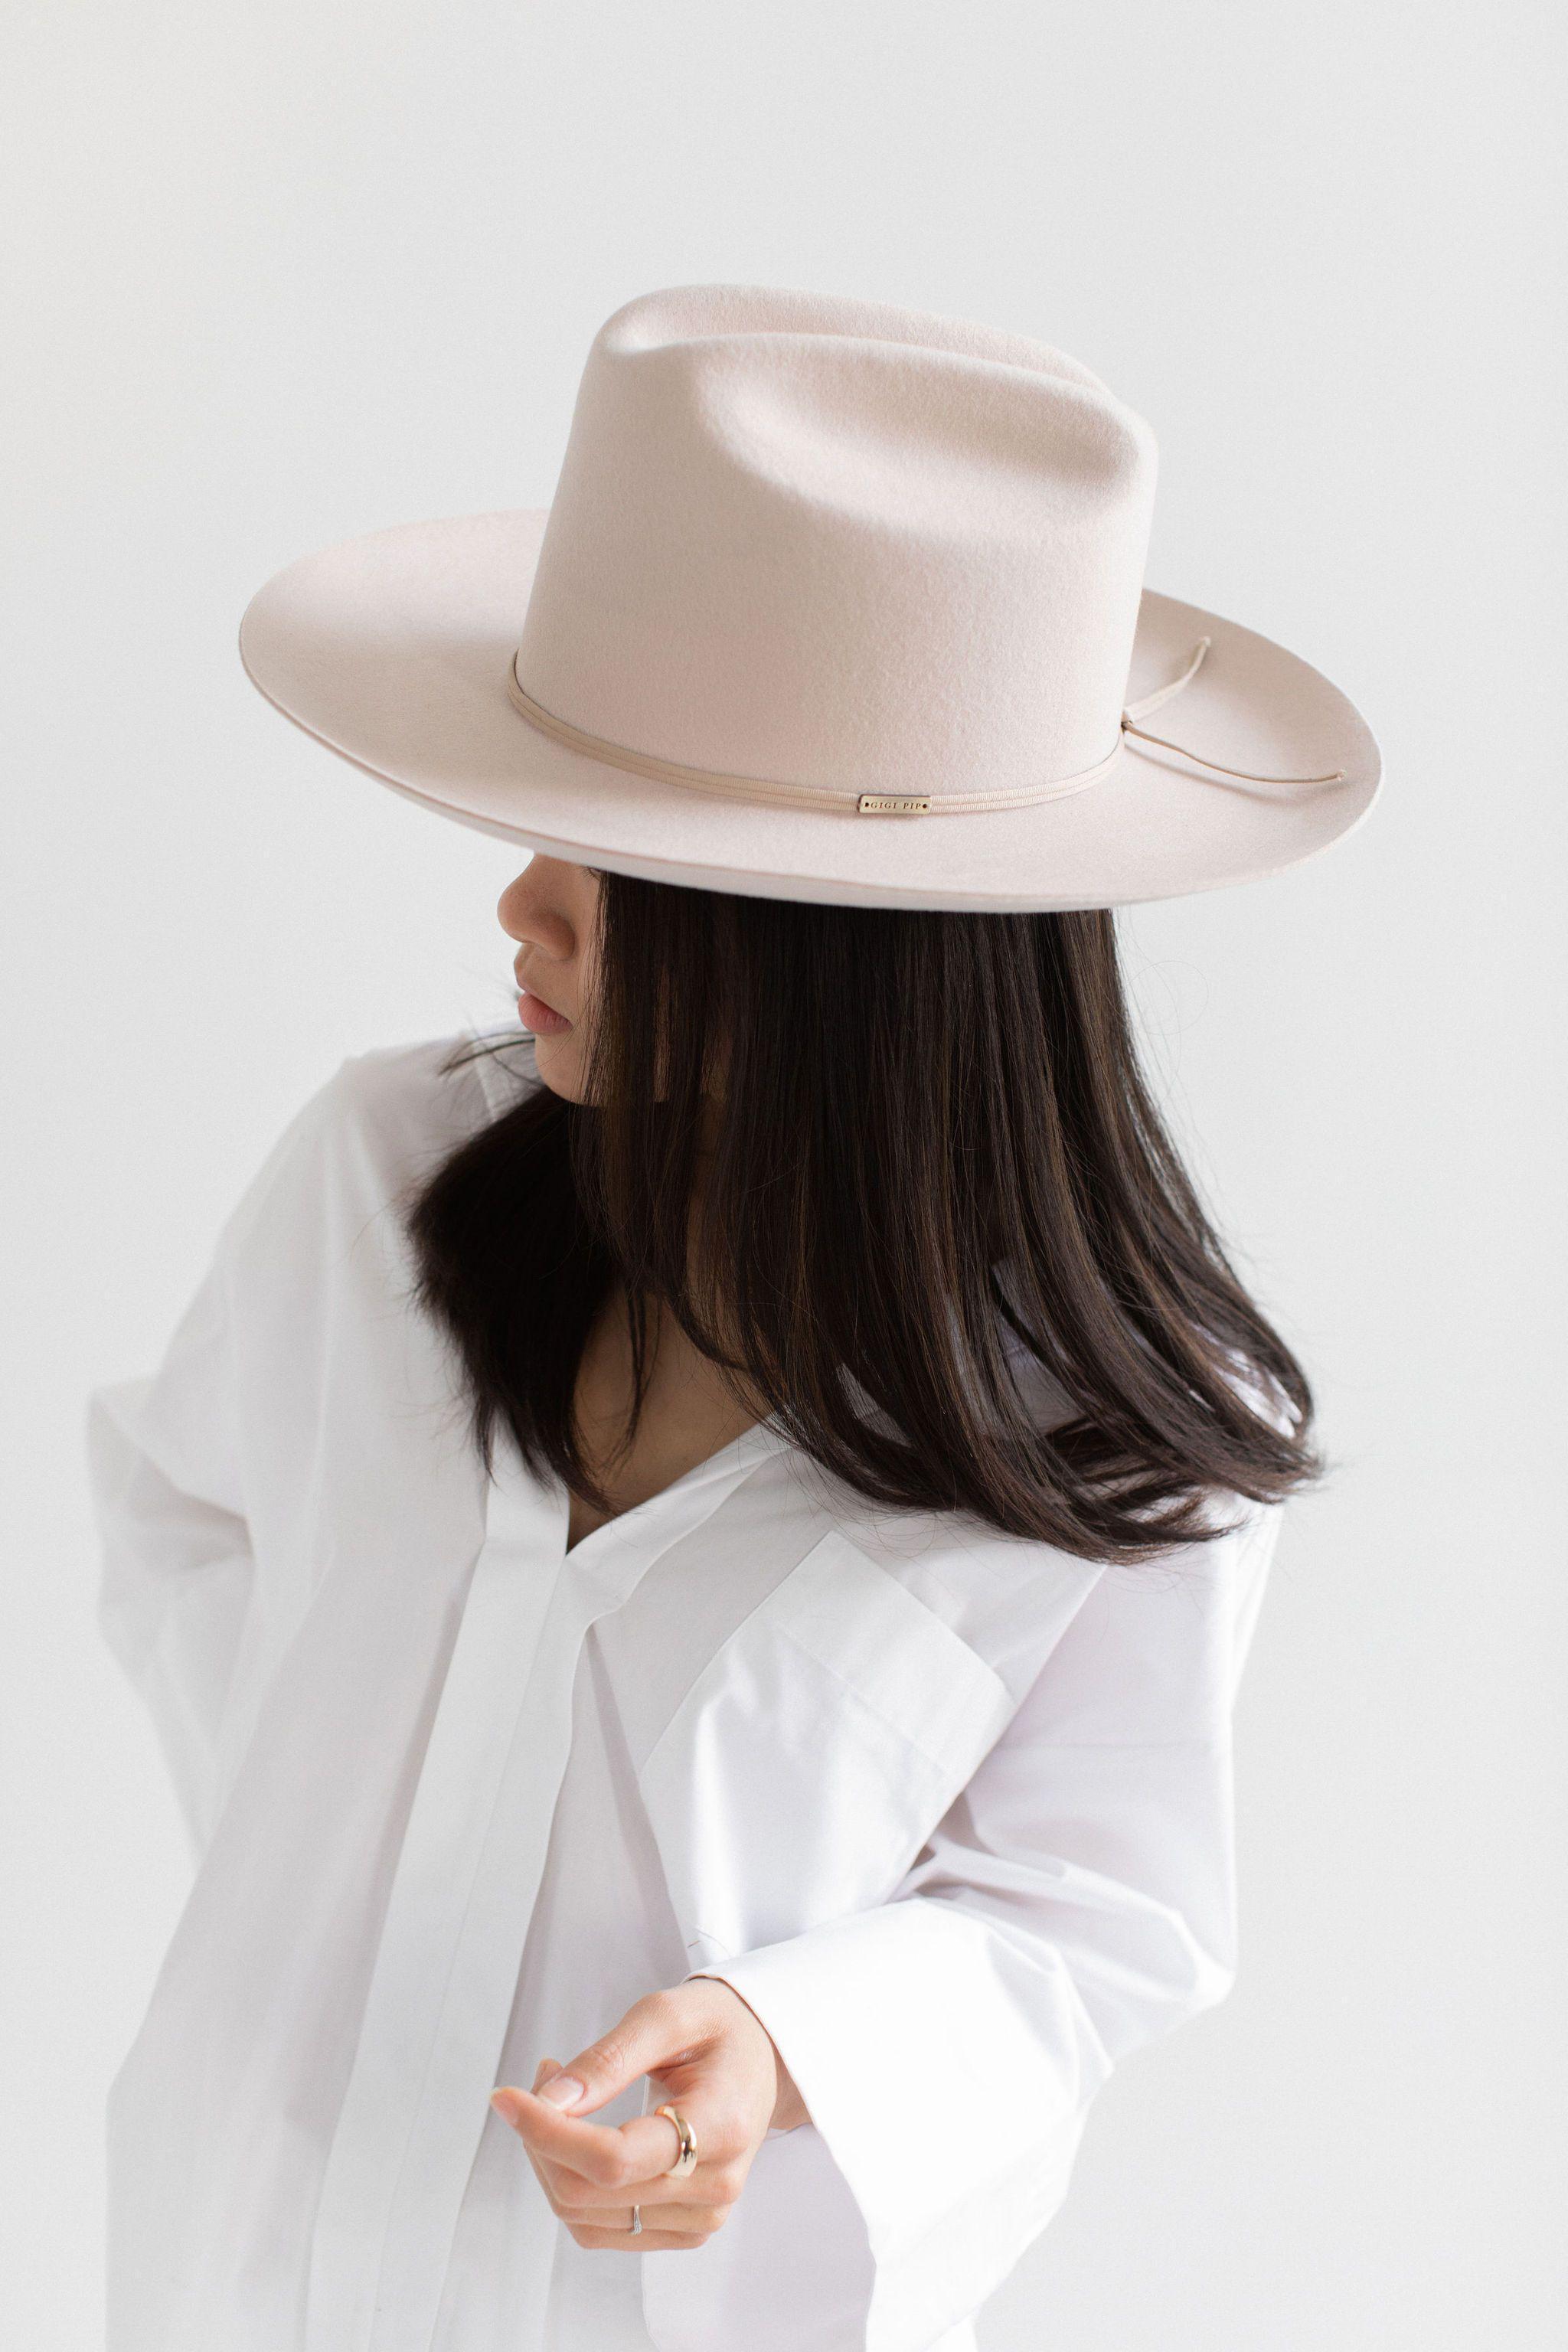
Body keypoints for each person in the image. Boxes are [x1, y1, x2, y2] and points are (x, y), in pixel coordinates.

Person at [83, 283, 1381, 2352]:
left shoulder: (1122, 1439)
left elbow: (1101, 1917)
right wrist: (358, 1874)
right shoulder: (379, 1185)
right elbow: (183, 1516)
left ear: (855, 952)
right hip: (234, 2276)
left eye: (628, 856)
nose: (521, 906)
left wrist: (785, 2049)